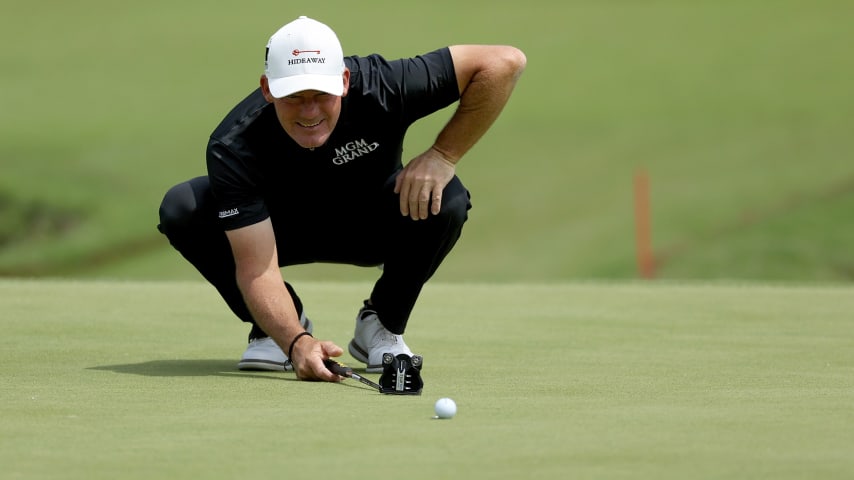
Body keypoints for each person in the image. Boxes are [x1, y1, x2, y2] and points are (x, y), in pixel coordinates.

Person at [157, 15, 526, 382]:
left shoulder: (382, 86)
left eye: (321, 95)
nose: (310, 112)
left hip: (371, 227)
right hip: (276, 235)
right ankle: (274, 328)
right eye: (294, 98)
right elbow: (256, 269)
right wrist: (297, 341)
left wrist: (444, 155)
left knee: (446, 196)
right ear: (268, 89)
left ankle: (382, 324)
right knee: (183, 207)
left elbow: (503, 63)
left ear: (344, 81)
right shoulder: (234, 143)